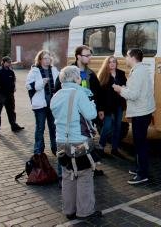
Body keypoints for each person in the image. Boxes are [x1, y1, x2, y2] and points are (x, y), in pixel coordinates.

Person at [50, 66, 102, 220]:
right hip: (78, 140)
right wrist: (92, 104)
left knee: (68, 175)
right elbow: (91, 114)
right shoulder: (79, 93)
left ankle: (69, 210)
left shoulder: (56, 95)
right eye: (79, 75)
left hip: (61, 141)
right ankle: (85, 211)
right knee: (84, 174)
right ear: (74, 78)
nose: (81, 77)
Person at [54, 45, 104, 176]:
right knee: (73, 152)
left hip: (86, 118)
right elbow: (57, 92)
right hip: (73, 122)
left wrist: (100, 109)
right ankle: (67, 172)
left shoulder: (91, 74)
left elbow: (97, 93)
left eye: (90, 55)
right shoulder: (66, 73)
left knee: (86, 145)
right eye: (86, 55)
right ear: (78, 56)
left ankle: (89, 167)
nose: (89, 58)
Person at [113, 49, 155, 185]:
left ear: (132, 57)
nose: (125, 58)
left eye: (126, 56)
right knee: (140, 143)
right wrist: (126, 88)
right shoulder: (141, 70)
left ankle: (143, 174)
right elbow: (136, 90)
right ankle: (140, 168)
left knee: (140, 144)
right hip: (144, 111)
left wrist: (120, 90)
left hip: (140, 113)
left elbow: (133, 95)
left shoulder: (138, 72)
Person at [25, 50, 59, 155]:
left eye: (49, 58)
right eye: (45, 58)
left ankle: (56, 148)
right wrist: (41, 83)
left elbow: (59, 83)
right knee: (40, 127)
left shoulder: (54, 70)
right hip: (40, 105)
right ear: (40, 60)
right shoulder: (34, 71)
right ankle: (38, 150)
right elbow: (28, 86)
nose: (47, 60)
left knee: (53, 127)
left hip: (52, 104)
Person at [96, 55, 127, 157]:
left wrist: (122, 89)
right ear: (106, 64)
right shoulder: (103, 75)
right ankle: (101, 146)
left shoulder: (121, 74)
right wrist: (100, 109)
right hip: (107, 106)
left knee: (118, 127)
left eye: (114, 62)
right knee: (107, 126)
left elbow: (125, 87)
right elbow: (99, 94)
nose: (112, 64)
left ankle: (114, 148)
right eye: (110, 62)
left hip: (118, 104)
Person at [0, 56, 24, 136]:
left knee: (11, 112)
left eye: (10, 62)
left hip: (10, 96)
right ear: (3, 62)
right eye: (8, 62)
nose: (9, 63)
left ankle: (14, 126)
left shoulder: (11, 71)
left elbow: (13, 80)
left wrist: (13, 88)